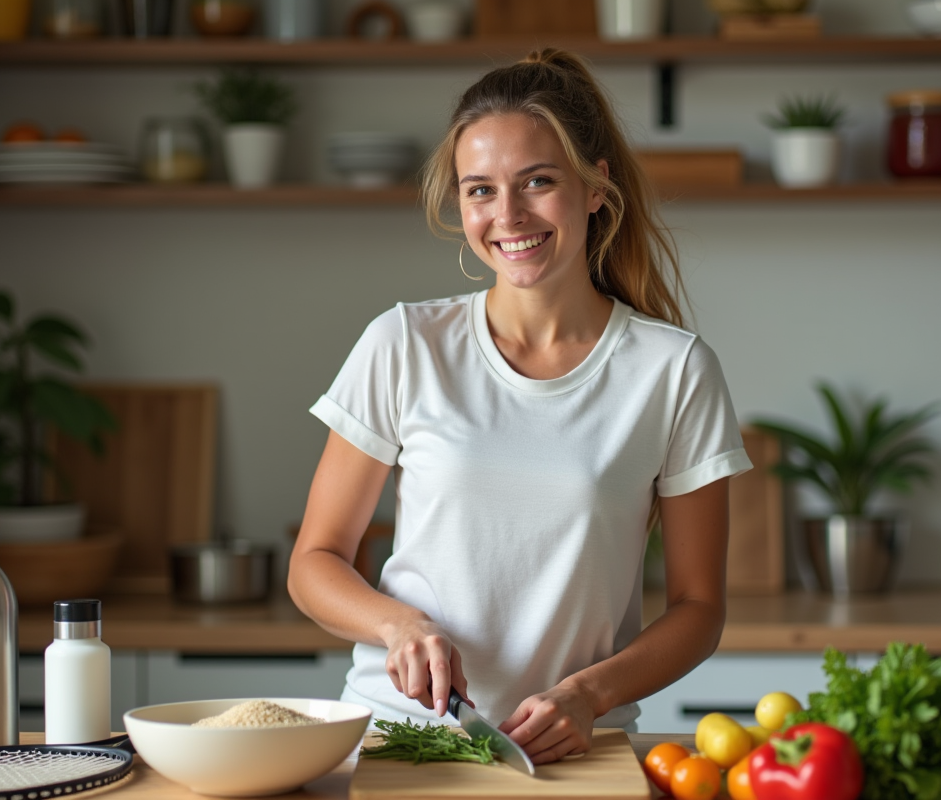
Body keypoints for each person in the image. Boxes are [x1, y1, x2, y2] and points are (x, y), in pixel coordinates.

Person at [287, 48, 752, 765]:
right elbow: (315, 561)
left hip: (576, 753)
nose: (508, 216)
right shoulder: (406, 343)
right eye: (480, 190)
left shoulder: (675, 370)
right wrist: (398, 627)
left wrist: (590, 694)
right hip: (400, 739)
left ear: (596, 186)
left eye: (538, 182)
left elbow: (699, 610)